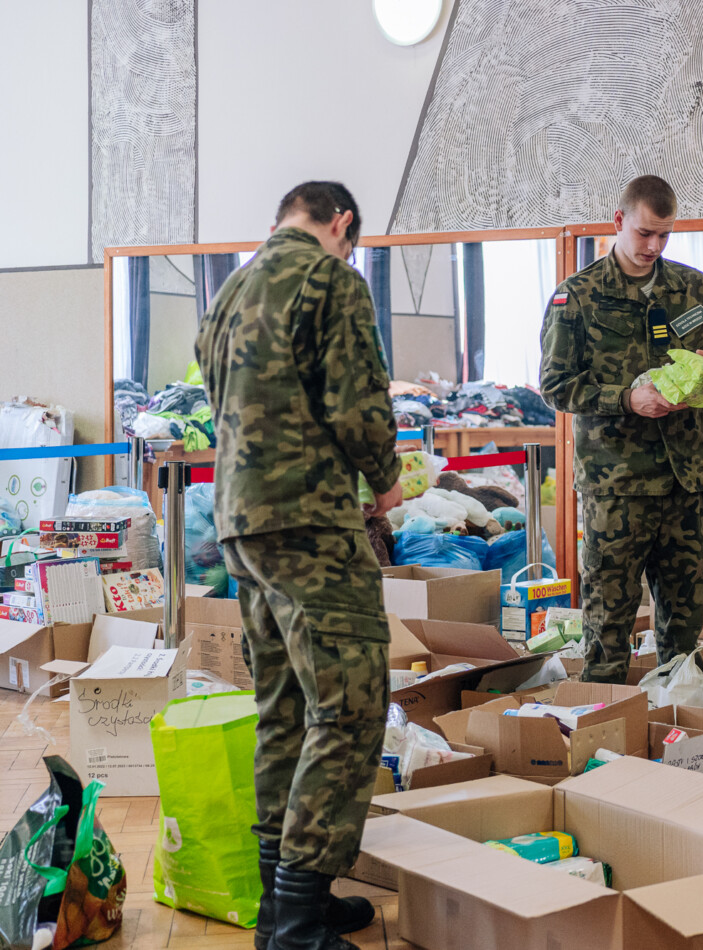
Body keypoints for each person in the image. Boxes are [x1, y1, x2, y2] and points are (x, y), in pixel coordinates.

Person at [196, 181, 401, 950]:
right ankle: (297, 923)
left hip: (242, 526)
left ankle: (281, 908)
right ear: (341, 223)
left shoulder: (230, 290)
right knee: (348, 708)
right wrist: (386, 479)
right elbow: (357, 402)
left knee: (284, 708)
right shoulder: (330, 280)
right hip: (310, 523)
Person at [540, 175, 703, 683]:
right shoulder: (578, 297)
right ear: (618, 221)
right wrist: (626, 399)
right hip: (617, 486)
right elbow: (555, 385)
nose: (654, 246)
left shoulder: (695, 289)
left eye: (665, 235)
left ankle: (677, 717)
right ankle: (606, 723)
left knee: (688, 620)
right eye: (645, 233)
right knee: (608, 623)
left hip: (689, 484)